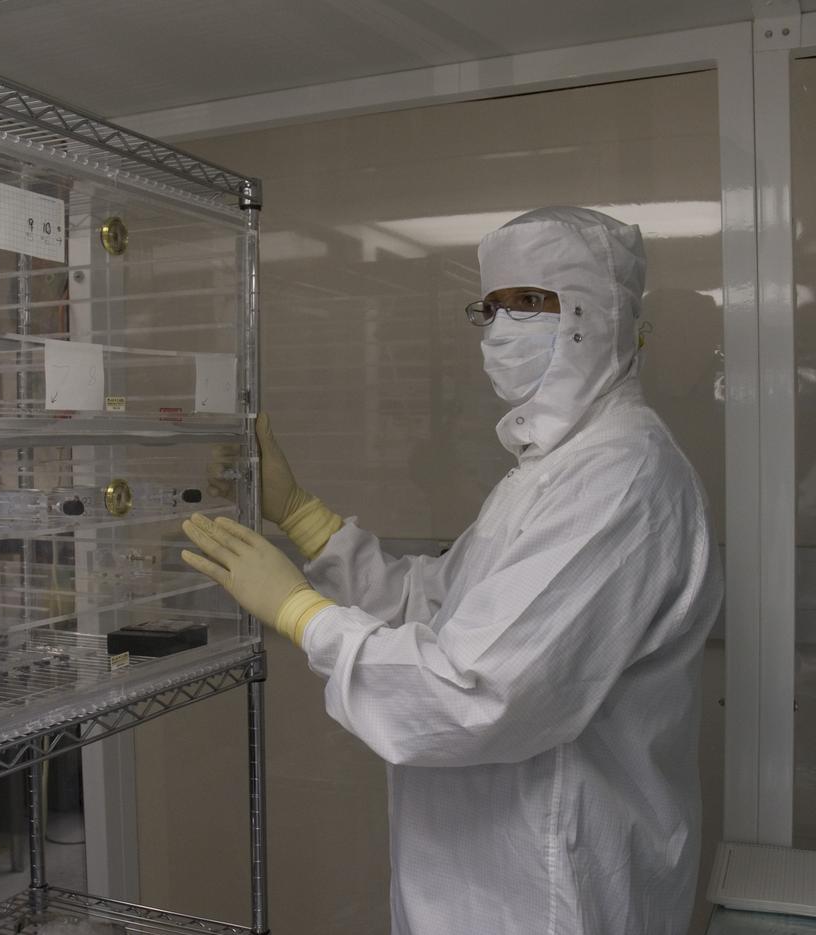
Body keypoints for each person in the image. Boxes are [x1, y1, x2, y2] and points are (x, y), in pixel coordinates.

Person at [181, 206, 724, 935]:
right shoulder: (547, 470)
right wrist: (306, 517)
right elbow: (436, 603)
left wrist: (302, 614)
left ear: (603, 313)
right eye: (491, 306)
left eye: (531, 302)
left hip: (555, 889)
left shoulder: (621, 477)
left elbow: (479, 689)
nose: (502, 328)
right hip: (485, 876)